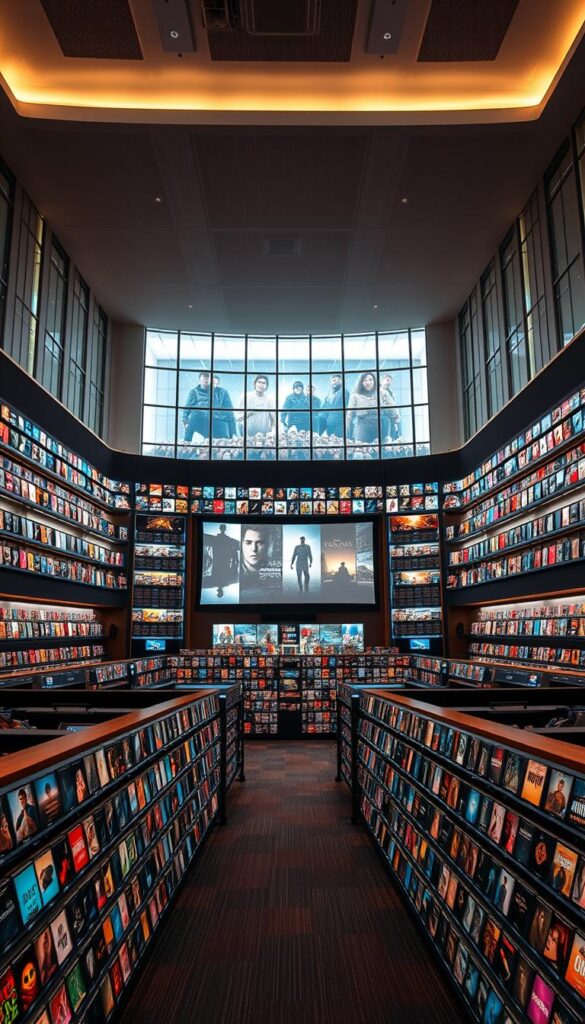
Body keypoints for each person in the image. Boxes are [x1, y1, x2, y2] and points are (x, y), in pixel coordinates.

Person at [346, 372, 390, 444]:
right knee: (362, 450)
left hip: (381, 424)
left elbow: (392, 409)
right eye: (364, 380)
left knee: (382, 450)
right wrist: (349, 434)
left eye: (370, 380)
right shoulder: (355, 395)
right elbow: (349, 416)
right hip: (363, 425)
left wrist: (396, 421)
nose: (368, 382)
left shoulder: (382, 393)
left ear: (374, 381)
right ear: (361, 382)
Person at [238, 375, 275, 441]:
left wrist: (273, 433)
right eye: (259, 382)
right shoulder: (246, 396)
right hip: (248, 437)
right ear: (255, 384)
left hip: (265, 437)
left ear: (267, 386)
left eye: (264, 383)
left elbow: (274, 419)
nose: (261, 385)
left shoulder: (270, 398)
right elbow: (238, 418)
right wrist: (249, 413)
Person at [209, 523, 239, 598]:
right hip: (223, 562)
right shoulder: (228, 539)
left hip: (219, 562)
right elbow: (232, 550)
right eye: (219, 592)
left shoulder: (216, 538)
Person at [319, 374, 348, 439]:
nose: (334, 382)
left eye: (336, 380)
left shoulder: (345, 392)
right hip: (329, 425)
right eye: (332, 381)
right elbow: (324, 408)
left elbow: (347, 410)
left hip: (339, 426)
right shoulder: (329, 394)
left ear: (341, 381)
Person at [380, 373, 402, 441]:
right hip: (387, 416)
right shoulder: (381, 392)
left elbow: (393, 405)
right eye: (387, 380)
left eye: (390, 381)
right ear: (382, 380)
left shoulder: (390, 392)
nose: (389, 383)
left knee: (393, 435)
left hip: (392, 417)